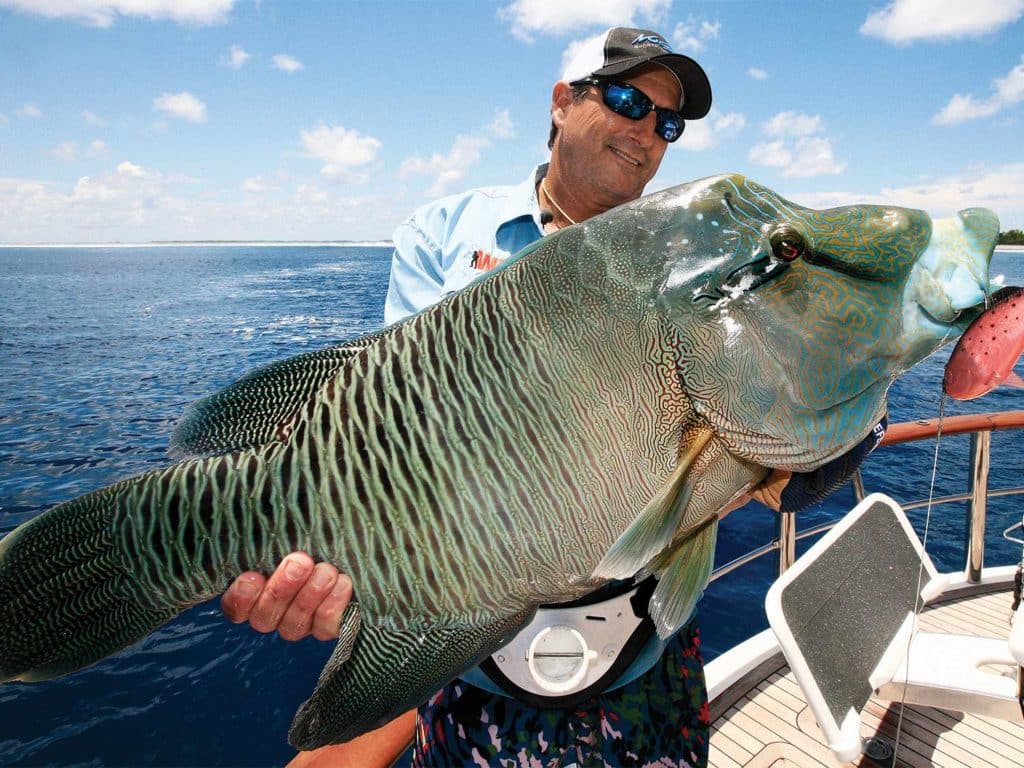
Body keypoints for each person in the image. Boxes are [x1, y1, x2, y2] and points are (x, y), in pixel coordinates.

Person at [221, 27, 885, 767]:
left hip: (645, 663)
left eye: (668, 123)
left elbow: (777, 437)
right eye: (630, 99)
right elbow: (383, 436)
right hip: (473, 674)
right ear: (562, 102)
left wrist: (855, 411)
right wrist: (341, 568)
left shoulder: (693, 258)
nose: (647, 132)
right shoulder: (442, 234)